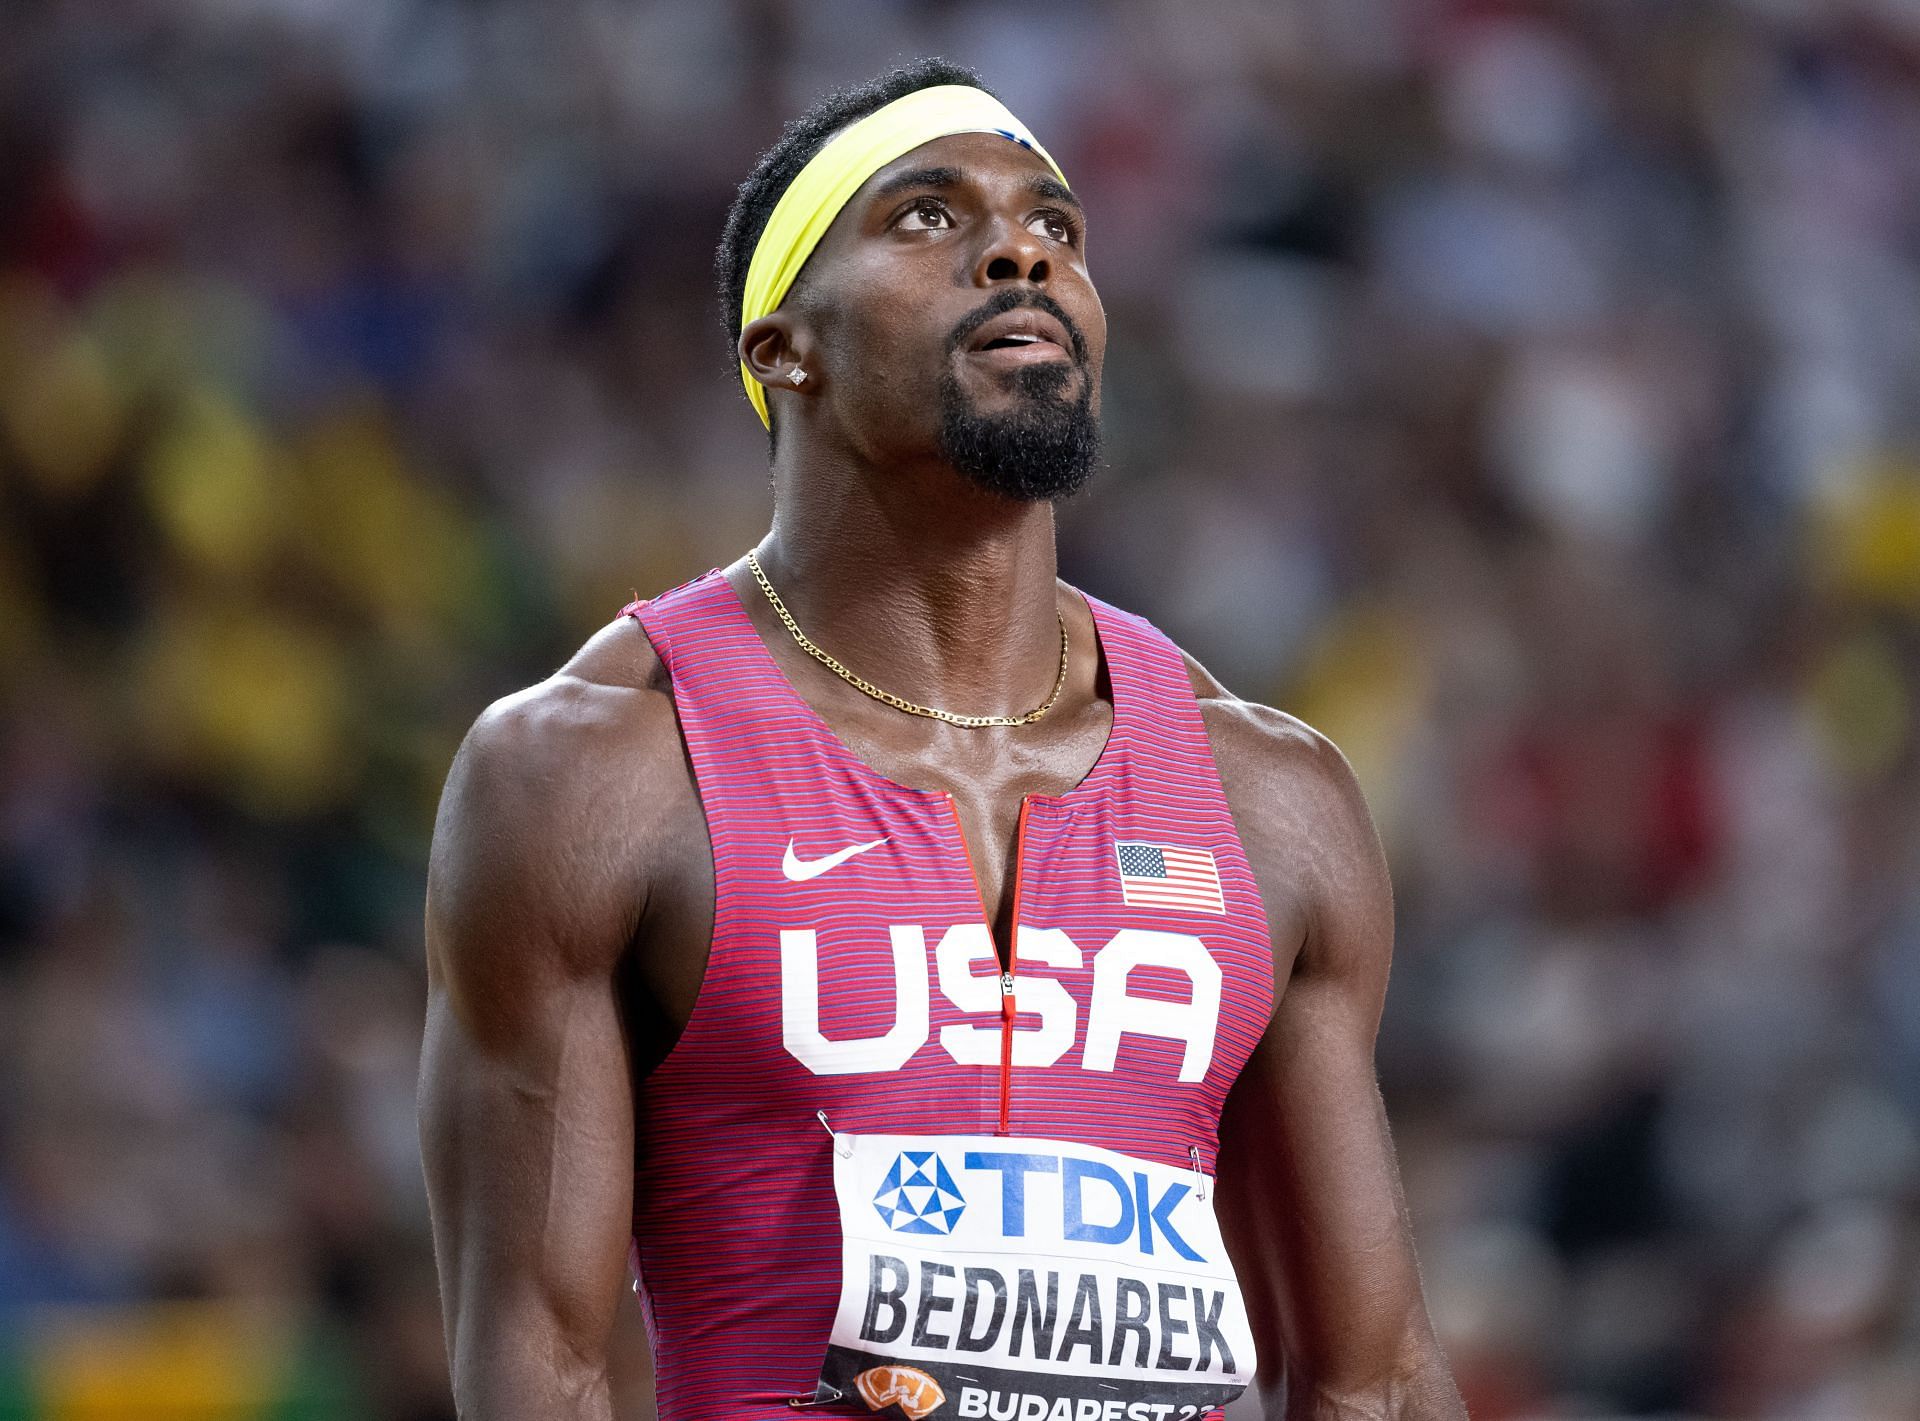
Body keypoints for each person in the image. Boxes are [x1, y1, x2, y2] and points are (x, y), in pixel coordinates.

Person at [419, 58, 1466, 1421]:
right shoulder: (595, 771)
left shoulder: (1272, 794)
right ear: (782, 344)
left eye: (1058, 227)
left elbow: (1370, 1378)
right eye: (927, 216)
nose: (1020, 247)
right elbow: (541, 1370)